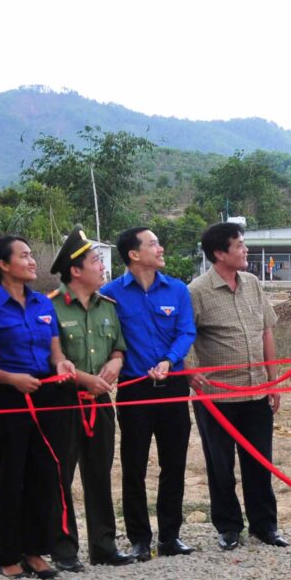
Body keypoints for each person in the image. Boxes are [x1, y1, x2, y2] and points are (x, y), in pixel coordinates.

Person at [0, 235, 76, 580]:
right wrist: (13, 379)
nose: (32, 262)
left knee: (43, 474)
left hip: (46, 393)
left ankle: (34, 550)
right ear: (3, 264)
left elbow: (55, 352)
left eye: (32, 256)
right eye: (25, 256)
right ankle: (7, 555)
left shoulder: (44, 303)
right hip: (10, 395)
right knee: (10, 475)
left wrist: (61, 365)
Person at [101, 227, 198, 560]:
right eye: (153, 243)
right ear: (133, 254)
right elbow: (109, 339)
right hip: (134, 389)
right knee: (134, 465)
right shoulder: (110, 294)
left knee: (174, 464)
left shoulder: (177, 290)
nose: (160, 248)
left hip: (172, 385)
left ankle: (170, 536)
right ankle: (139, 538)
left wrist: (169, 361)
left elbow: (187, 331)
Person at [189, 222, 286, 550]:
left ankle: (265, 526)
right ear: (219, 253)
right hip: (216, 396)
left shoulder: (253, 284)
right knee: (221, 464)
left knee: (260, 460)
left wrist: (274, 382)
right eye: (239, 246)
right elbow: (185, 337)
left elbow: (266, 331)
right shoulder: (197, 291)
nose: (245, 251)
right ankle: (229, 527)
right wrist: (191, 372)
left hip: (256, 390)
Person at [48, 228, 134, 569]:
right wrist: (86, 379)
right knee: (62, 476)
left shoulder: (107, 307)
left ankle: (104, 546)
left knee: (99, 474)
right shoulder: (50, 306)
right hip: (65, 403)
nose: (102, 267)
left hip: (100, 404)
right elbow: (48, 358)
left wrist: (115, 362)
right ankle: (64, 550)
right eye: (96, 261)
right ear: (75, 271)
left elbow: (118, 347)